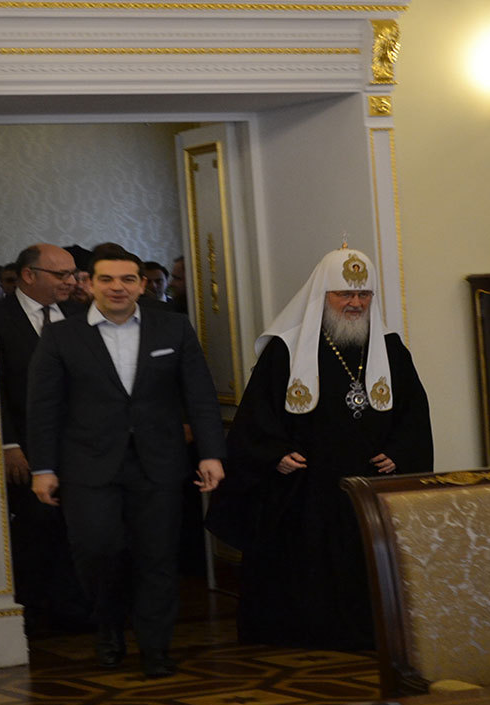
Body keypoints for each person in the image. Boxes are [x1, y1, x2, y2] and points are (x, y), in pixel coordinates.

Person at [206, 243, 433, 651]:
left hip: (367, 480)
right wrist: (275, 452)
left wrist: (400, 450)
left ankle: (366, 633)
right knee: (305, 558)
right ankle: (301, 632)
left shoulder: (390, 347)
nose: (355, 303)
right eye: (345, 293)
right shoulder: (287, 348)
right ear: (322, 295)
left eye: (364, 294)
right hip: (306, 482)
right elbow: (256, 415)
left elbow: (414, 411)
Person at [27, 244, 226, 677]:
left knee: (158, 557)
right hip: (87, 466)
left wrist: (211, 453)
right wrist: (43, 468)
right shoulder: (62, 335)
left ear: (140, 285)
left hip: (158, 463)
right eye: (107, 279)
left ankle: (156, 647)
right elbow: (43, 408)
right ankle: (109, 627)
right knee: (98, 550)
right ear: (89, 284)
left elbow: (200, 395)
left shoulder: (173, 328)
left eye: (127, 279)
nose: (117, 287)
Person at [0, 243, 90, 636]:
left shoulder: (83, 316)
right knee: (36, 528)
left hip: (82, 446)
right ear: (28, 275)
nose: (71, 282)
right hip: (26, 447)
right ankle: (32, 612)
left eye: (73, 274)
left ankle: (76, 609)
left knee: (79, 528)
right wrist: (8, 444)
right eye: (61, 275)